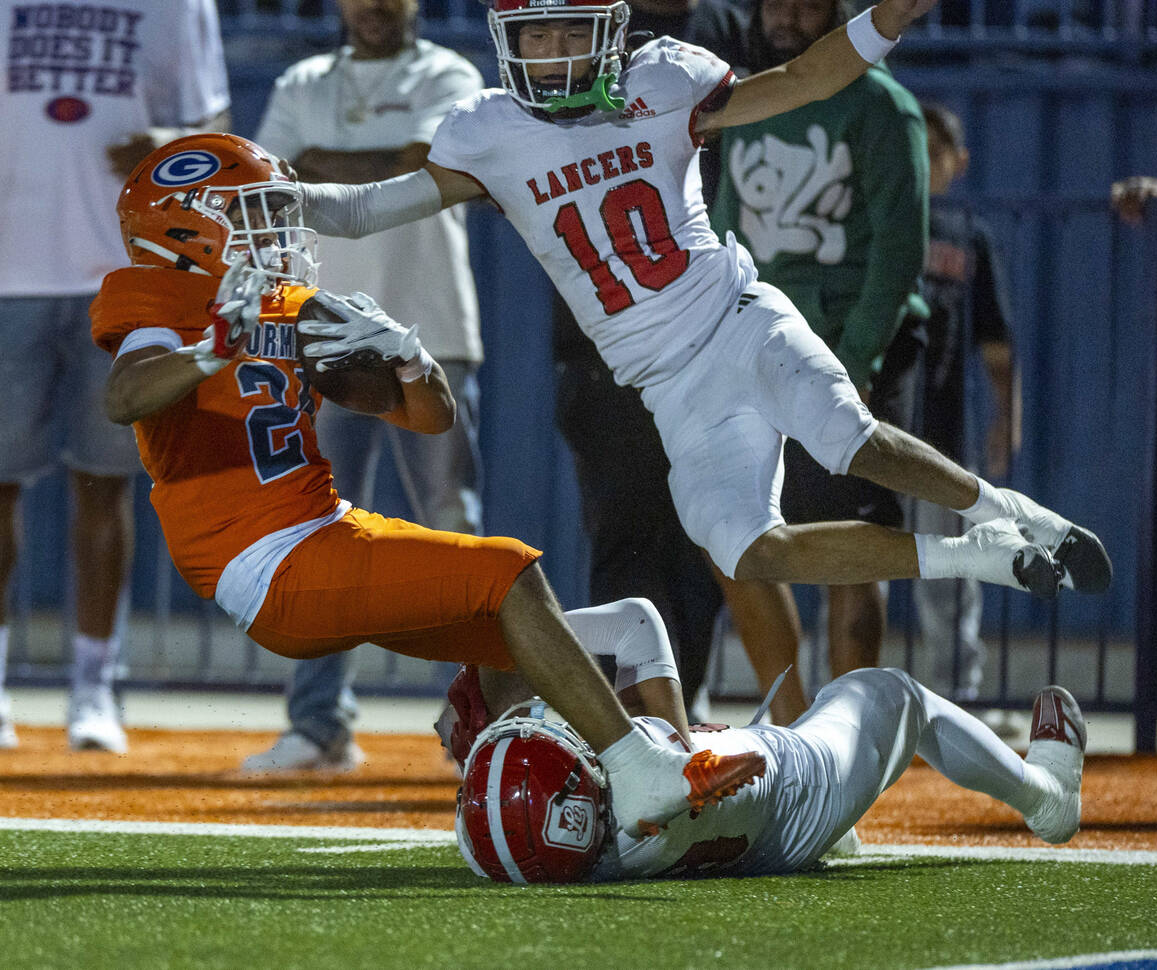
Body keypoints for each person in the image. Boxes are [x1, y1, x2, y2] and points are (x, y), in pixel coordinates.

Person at [299, 0, 1114, 673]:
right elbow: (367, 207)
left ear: (608, 33)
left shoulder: (662, 79)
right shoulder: (488, 131)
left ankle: (1019, 514)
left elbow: (804, 77)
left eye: (570, 31)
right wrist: (274, 191)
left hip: (735, 319)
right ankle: (979, 555)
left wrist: (887, 20)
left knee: (846, 437)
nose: (554, 53)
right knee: (749, 547)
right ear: (509, 43)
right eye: (536, 35)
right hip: (668, 387)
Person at [90, 131, 766, 837]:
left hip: (324, 531)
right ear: (188, 226)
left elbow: (429, 418)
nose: (279, 231)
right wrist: (212, 349)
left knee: (628, 626)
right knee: (509, 573)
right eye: (255, 214)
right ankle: (640, 775)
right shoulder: (155, 299)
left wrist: (410, 359)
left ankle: (652, 786)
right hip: (266, 562)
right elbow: (125, 396)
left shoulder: (285, 307)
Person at [241, 0, 488, 774]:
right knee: (312, 532)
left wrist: (318, 165)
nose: (375, 6)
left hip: (430, 333)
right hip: (319, 339)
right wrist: (384, 166)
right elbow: (267, 184)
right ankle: (320, 725)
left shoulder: (452, 73)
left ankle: (484, 718)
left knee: (453, 522)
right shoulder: (304, 78)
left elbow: (423, 170)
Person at [449, 606, 1087, 883]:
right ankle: (1047, 795)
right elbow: (639, 623)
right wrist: (674, 744)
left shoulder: (517, 850)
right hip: (796, 790)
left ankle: (841, 826)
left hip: (747, 842)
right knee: (894, 692)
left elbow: (508, 817)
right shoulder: (642, 795)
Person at [0, 0, 231, 752]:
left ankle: (93, 689)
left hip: (124, 273)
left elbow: (215, 130)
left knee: (104, 488)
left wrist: (164, 143)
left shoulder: (177, 5)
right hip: (8, 272)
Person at [694, 0, 930, 722]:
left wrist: (854, 358)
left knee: (855, 548)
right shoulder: (744, 104)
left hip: (853, 351)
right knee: (731, 535)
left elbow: (898, 251)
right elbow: (727, 231)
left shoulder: (884, 106)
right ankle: (796, 733)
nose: (788, 13)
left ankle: (849, 739)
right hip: (757, 348)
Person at [551, 0, 724, 718]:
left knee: (706, 537)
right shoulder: (546, 84)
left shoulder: (709, 54)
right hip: (605, 354)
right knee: (628, 539)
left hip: (694, 338)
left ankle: (676, 699)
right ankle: (635, 712)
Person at [913, 102, 1021, 707]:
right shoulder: (881, 215)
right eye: (915, 148)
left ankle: (958, 698)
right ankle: (837, 695)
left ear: (960, 162)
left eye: (935, 152)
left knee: (953, 570)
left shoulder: (969, 233)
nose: (923, 164)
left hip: (944, 436)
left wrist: (1008, 422)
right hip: (871, 425)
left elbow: (998, 348)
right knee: (851, 565)